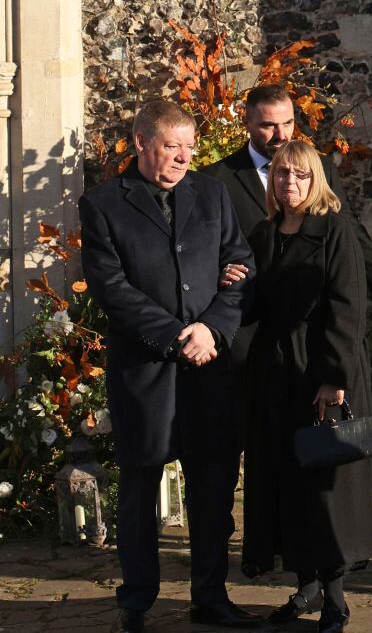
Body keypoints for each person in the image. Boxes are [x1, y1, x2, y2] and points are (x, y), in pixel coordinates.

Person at [79, 100, 258, 632]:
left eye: (189, 145)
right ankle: (136, 600)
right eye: (171, 146)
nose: (184, 156)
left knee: (214, 488)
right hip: (145, 371)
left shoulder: (211, 192)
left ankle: (211, 595)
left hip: (210, 370)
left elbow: (242, 266)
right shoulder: (103, 203)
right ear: (140, 142)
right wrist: (177, 336)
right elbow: (111, 288)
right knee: (139, 489)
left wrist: (212, 329)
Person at [240, 140, 372, 633]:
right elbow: (256, 309)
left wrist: (333, 379)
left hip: (321, 370)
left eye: (299, 175)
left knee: (325, 486)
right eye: (280, 175)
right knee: (284, 482)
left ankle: (335, 600)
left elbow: (347, 306)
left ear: (314, 179)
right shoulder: (265, 233)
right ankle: (305, 586)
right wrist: (234, 283)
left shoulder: (334, 229)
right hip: (276, 374)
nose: (289, 183)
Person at [204, 83, 372, 334]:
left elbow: (351, 233)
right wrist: (219, 272)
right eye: (269, 126)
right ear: (247, 122)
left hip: (309, 329)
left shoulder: (321, 168)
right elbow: (203, 248)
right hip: (246, 328)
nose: (282, 135)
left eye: (287, 123)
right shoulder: (216, 179)